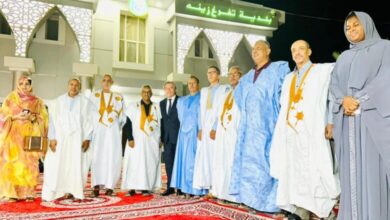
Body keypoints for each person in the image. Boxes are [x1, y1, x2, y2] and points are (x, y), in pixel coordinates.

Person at [330, 11, 390, 220]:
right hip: (348, 123)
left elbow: (386, 78)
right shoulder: (345, 57)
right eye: (347, 28)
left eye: (356, 25)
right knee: (350, 174)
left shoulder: (385, 48)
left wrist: (359, 100)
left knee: (373, 172)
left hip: (371, 122)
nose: (351, 30)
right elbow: (334, 85)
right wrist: (343, 100)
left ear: (367, 24)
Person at [270, 40, 340, 219]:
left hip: (312, 130)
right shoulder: (288, 79)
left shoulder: (322, 71)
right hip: (290, 133)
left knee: (315, 167)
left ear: (309, 51)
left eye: (301, 49)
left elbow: (333, 95)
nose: (297, 53)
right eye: (293, 50)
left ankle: (323, 209)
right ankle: (300, 208)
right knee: (293, 170)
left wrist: (331, 122)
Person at [229, 40, 290, 214]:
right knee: (249, 165)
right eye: (253, 49)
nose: (255, 51)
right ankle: (251, 201)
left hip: (269, 126)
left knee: (268, 164)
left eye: (259, 48)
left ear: (268, 51)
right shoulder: (247, 76)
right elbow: (239, 100)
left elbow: (284, 95)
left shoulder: (279, 69)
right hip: (248, 131)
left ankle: (271, 204)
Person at [42, 78, 95, 201]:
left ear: (79, 87)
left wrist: (88, 138)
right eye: (71, 84)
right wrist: (52, 138)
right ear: (68, 85)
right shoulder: (58, 101)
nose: (74, 87)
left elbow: (91, 121)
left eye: (77, 85)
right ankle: (57, 191)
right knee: (57, 164)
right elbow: (52, 121)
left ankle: (75, 192)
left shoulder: (85, 102)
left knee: (76, 165)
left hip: (77, 139)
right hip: (61, 138)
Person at [0, 74, 48, 202]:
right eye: (21, 84)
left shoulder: (37, 101)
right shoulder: (11, 98)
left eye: (27, 84)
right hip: (14, 136)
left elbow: (44, 118)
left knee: (30, 163)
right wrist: (16, 117)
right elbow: (2, 116)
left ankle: (29, 193)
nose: (24, 86)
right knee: (14, 163)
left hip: (31, 134)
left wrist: (33, 118)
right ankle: (12, 194)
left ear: (31, 85)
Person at [121, 85, 162, 196]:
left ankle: (146, 188)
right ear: (141, 93)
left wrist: (161, 139)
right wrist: (130, 138)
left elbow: (161, 125)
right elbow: (127, 124)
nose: (146, 94)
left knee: (149, 164)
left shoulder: (157, 107)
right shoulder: (133, 106)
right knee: (134, 163)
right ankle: (131, 188)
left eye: (149, 92)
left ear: (151, 94)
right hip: (136, 141)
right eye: (144, 92)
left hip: (151, 141)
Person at [90, 74, 126, 197]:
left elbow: (123, 116)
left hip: (112, 131)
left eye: (108, 81)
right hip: (99, 128)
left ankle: (110, 186)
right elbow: (89, 112)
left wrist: (113, 118)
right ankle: (96, 185)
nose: (106, 83)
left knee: (112, 156)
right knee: (97, 155)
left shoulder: (118, 97)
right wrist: (102, 118)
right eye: (104, 80)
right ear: (101, 82)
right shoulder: (94, 95)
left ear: (112, 82)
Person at [171, 76, 207, 198]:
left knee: (193, 160)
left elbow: (203, 115)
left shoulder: (202, 98)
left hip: (195, 132)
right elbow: (181, 116)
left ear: (198, 84)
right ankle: (185, 188)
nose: (191, 85)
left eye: (193, 83)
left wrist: (200, 128)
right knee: (184, 160)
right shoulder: (182, 100)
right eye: (189, 83)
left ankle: (195, 189)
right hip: (183, 133)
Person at [211, 66, 242, 203]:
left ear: (241, 76)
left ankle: (236, 196)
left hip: (236, 133)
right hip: (223, 133)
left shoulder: (243, 92)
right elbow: (219, 115)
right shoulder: (226, 94)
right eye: (230, 74)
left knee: (233, 163)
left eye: (236, 74)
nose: (233, 77)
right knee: (222, 162)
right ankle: (223, 193)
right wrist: (215, 129)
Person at [193, 66, 227, 192]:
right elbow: (200, 111)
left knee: (215, 155)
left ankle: (216, 186)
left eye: (213, 72)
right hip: (204, 126)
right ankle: (207, 184)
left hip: (216, 127)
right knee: (204, 156)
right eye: (208, 73)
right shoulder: (204, 90)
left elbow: (223, 109)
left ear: (218, 75)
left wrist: (215, 127)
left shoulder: (224, 89)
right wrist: (201, 128)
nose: (210, 75)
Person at [160, 81, 180, 196]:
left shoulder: (181, 101)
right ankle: (170, 187)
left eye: (171, 88)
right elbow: (162, 121)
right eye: (166, 88)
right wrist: (161, 138)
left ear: (175, 89)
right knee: (168, 163)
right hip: (166, 139)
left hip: (178, 137)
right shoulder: (161, 103)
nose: (169, 90)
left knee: (178, 163)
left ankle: (180, 187)